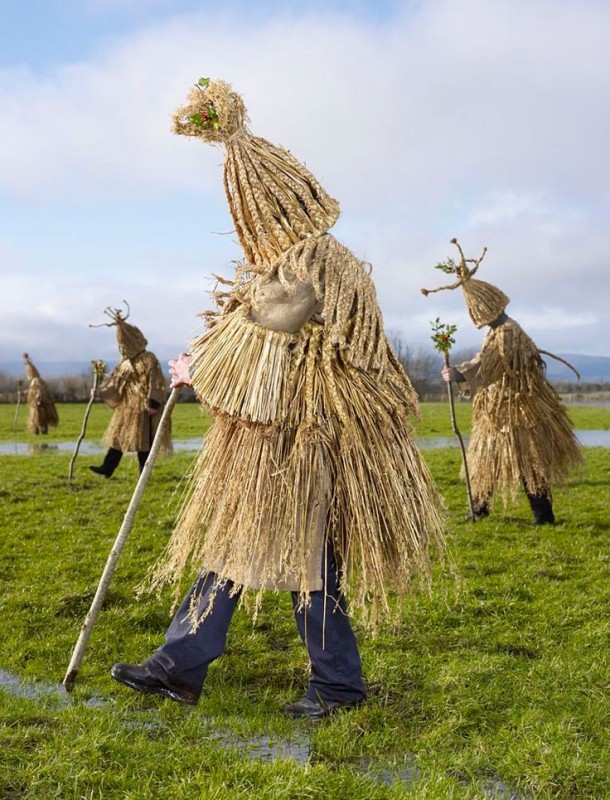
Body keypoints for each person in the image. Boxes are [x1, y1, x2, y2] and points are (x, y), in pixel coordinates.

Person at [111, 78, 445, 718]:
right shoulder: (312, 256)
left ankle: (336, 685)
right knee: (248, 546)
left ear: (266, 205)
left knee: (305, 561)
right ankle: (181, 664)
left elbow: (263, 322)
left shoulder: (310, 262)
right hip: (285, 435)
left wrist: (195, 364)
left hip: (304, 438)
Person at [422, 238, 582, 525]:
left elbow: (492, 365)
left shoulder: (507, 331)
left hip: (518, 410)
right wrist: (459, 371)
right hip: (499, 409)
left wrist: (458, 374)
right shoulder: (499, 330)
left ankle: (543, 515)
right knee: (485, 458)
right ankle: (481, 508)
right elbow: (485, 359)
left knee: (529, 460)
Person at [89, 305, 172, 477]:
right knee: (118, 437)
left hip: (144, 408)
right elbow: (115, 383)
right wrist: (100, 392)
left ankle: (144, 473)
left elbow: (156, 382)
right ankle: (107, 468)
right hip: (127, 408)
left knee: (144, 442)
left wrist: (153, 403)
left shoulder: (149, 358)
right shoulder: (125, 363)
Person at [23, 353, 59, 435]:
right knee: (38, 420)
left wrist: (38, 398)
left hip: (39, 405)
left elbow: (39, 390)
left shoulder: (36, 381)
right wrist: (24, 393)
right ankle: (39, 434)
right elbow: (32, 390)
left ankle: (41, 434)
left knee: (40, 419)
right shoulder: (36, 380)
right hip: (39, 404)